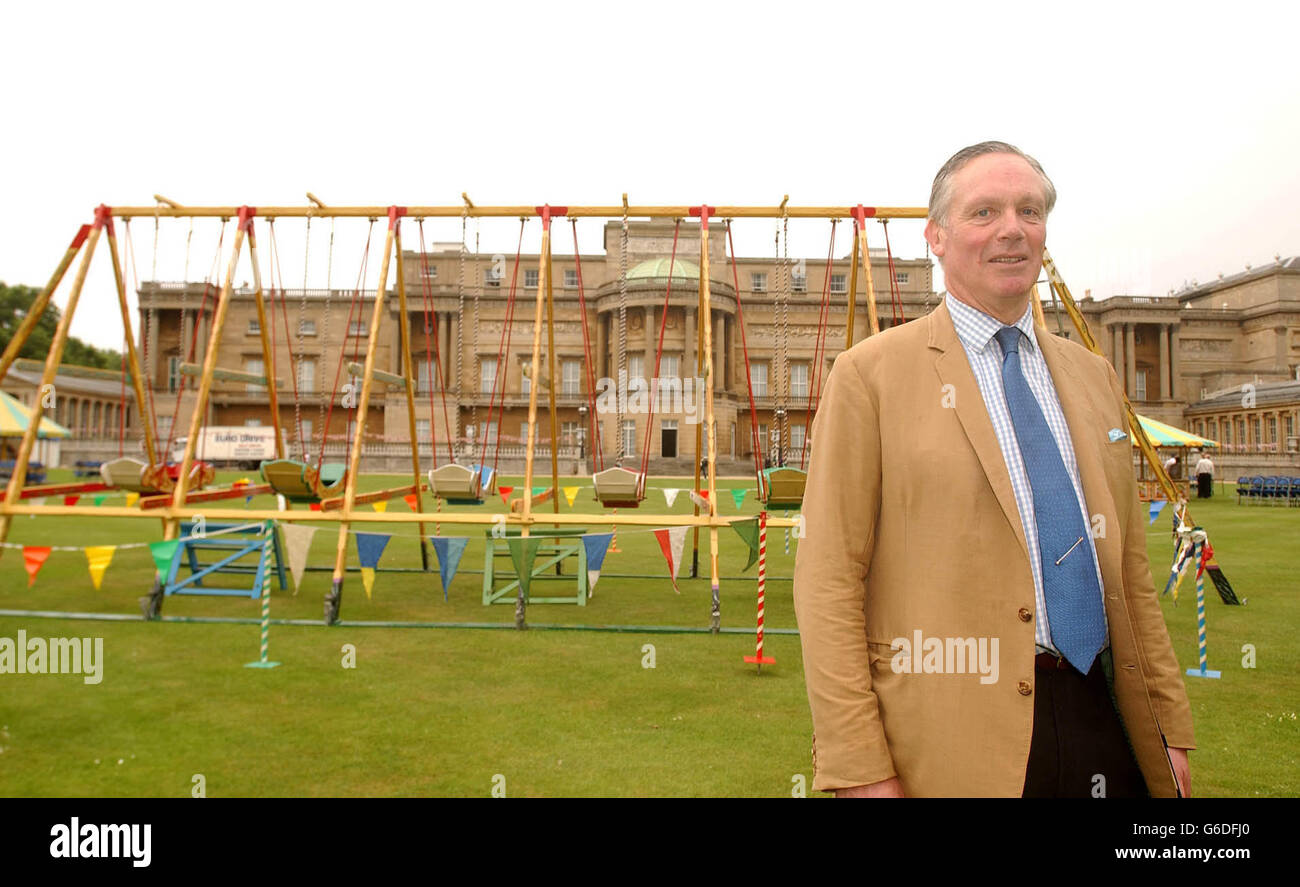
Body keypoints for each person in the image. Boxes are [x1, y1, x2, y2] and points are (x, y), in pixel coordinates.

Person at [793, 141, 1194, 798]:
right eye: (985, 211)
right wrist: (859, 765)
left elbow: (1130, 575)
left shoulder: (1094, 377)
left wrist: (1168, 723)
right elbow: (827, 584)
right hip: (953, 740)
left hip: (1104, 718)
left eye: (1028, 211)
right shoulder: (869, 376)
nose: (1013, 228)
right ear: (938, 237)